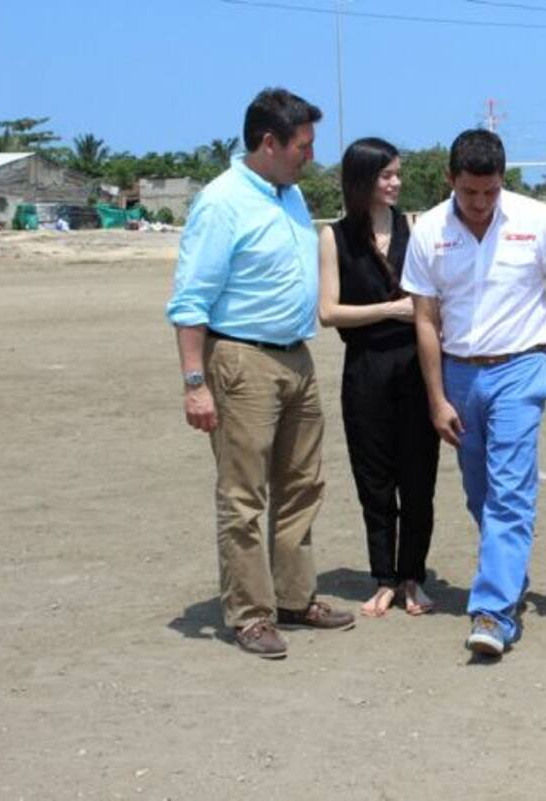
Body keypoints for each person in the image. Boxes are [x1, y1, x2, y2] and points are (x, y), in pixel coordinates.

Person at [166, 88, 354, 659]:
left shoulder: (288, 194)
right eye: (303, 145)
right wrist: (195, 383)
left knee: (302, 485)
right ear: (268, 143)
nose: (310, 156)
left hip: (295, 357)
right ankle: (249, 615)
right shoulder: (222, 202)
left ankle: (295, 598)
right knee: (243, 494)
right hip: (242, 360)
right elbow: (190, 301)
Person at [402, 129, 546, 658]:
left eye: (490, 192)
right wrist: (436, 398)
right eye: (469, 193)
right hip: (460, 375)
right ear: (450, 180)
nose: (480, 204)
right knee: (480, 492)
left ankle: (493, 611)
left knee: (510, 491)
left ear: (504, 181)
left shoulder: (537, 221)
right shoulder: (429, 231)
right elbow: (426, 320)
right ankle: (510, 572)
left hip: (521, 369)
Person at [318, 137, 439, 618]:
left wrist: (419, 316)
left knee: (419, 478)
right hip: (365, 368)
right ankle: (383, 579)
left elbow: (435, 300)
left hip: (417, 365)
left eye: (397, 174)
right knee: (374, 479)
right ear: (362, 180)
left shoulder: (416, 227)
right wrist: (393, 309)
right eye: (386, 175)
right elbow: (328, 312)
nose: (395, 183)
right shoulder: (335, 236)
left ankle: (413, 577)